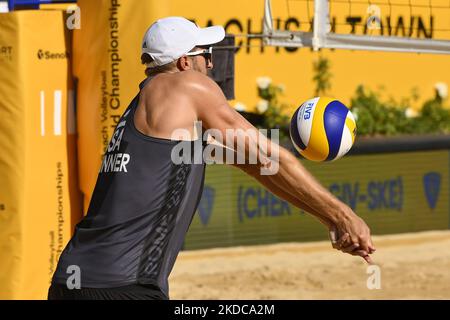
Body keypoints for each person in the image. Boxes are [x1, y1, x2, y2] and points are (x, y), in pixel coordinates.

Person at [48, 16, 375, 300]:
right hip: (120, 286)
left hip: (73, 280)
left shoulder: (157, 112)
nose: (213, 64)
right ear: (183, 63)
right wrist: (345, 216)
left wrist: (329, 220)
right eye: (205, 55)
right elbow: (270, 154)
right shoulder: (185, 87)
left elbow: (262, 167)